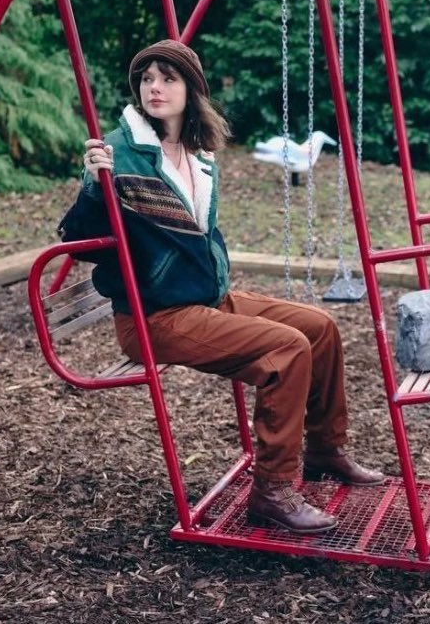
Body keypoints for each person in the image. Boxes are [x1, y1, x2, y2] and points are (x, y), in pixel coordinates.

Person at [58, 40, 384, 535]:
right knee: (286, 350)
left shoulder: (195, 151)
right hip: (155, 317)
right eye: (147, 78)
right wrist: (91, 184)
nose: (155, 88)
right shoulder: (120, 155)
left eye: (168, 78)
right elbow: (81, 243)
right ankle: (272, 492)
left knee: (319, 327)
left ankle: (324, 450)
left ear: (191, 89)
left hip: (205, 300)